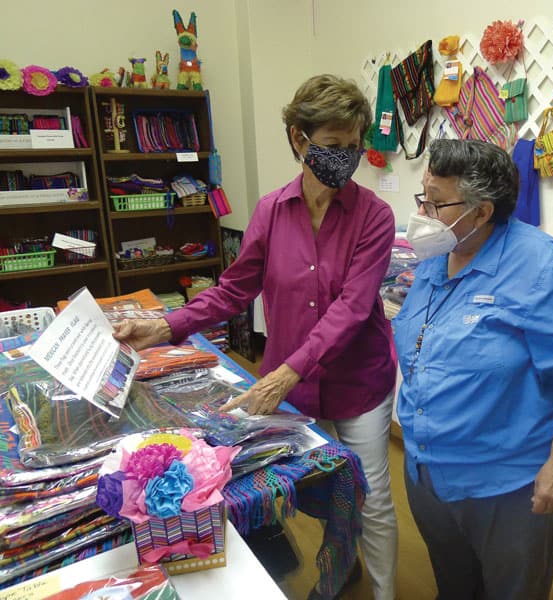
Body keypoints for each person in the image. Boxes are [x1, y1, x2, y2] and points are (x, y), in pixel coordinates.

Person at [114, 74, 398, 600]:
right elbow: (232, 290)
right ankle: (343, 564)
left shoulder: (374, 217)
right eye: (334, 146)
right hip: (295, 384)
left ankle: (384, 593)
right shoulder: (272, 211)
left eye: (354, 146)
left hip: (359, 381)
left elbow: (353, 308)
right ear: (299, 140)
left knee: (372, 492)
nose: (346, 158)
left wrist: (283, 372)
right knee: (308, 484)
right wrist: (161, 327)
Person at [392, 139, 553, 600]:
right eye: (422, 196)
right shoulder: (438, 256)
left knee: (512, 590)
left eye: (436, 201)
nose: (423, 212)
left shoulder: (542, 267)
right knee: (453, 584)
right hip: (429, 468)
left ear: (482, 212)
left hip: (508, 484)